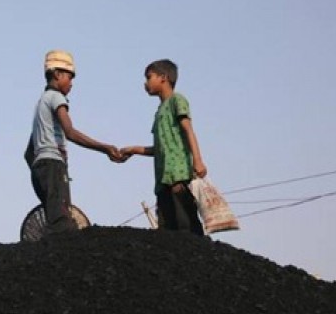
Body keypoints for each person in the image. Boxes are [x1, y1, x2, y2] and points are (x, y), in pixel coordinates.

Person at [26, 50, 125, 235]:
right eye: (69, 78)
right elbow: (70, 132)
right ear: (57, 74)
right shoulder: (56, 98)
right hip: (53, 166)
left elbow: (28, 153)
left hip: (39, 170)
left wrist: (41, 174)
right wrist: (104, 148)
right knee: (62, 225)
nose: (71, 84)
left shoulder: (40, 104)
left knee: (55, 217)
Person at [122, 59, 207, 235]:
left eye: (149, 77)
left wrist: (198, 161)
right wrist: (134, 150)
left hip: (178, 176)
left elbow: (188, 130)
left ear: (163, 77)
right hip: (162, 180)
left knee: (186, 224)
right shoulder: (160, 111)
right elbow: (160, 148)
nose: (145, 83)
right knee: (167, 229)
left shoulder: (177, 101)